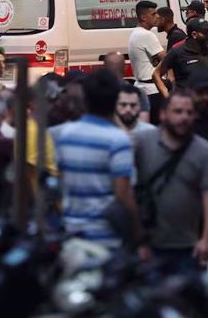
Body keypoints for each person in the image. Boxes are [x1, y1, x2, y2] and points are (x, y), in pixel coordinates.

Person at [53, 69, 142, 251]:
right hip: (107, 241)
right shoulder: (118, 140)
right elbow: (123, 195)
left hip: (72, 237)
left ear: (85, 100)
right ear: (115, 101)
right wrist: (139, 236)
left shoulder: (65, 135)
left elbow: (60, 184)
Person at [134, 90, 208, 272]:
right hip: (150, 244)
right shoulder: (142, 143)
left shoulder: (204, 151)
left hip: (188, 246)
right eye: (178, 111)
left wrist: (206, 239)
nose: (184, 117)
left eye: (189, 112)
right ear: (163, 114)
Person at [154, 18, 208, 96]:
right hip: (186, 103)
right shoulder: (177, 51)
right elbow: (156, 74)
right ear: (194, 34)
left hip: (205, 102)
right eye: (205, 32)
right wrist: (167, 96)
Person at [129, 0, 165, 122]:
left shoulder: (135, 33)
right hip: (152, 90)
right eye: (154, 14)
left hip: (142, 88)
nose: (158, 16)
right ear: (143, 17)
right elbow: (166, 59)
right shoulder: (146, 35)